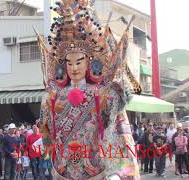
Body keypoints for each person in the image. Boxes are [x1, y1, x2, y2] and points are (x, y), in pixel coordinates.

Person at [37, 0, 141, 179]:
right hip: (64, 169)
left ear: (89, 63)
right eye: (69, 63)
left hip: (98, 168)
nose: (74, 68)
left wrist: (120, 170)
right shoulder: (52, 97)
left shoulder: (105, 94)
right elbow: (46, 131)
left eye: (79, 62)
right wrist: (46, 143)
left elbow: (119, 128)